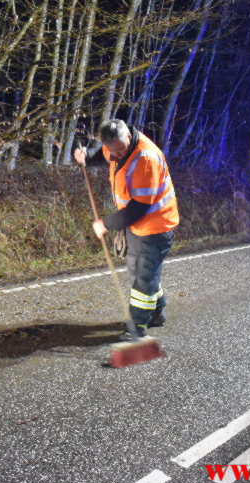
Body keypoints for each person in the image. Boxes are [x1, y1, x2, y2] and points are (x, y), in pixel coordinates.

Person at [73, 119, 179, 338]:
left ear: (129, 137)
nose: (116, 154)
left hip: (156, 226)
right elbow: (103, 156)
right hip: (138, 227)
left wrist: (106, 224)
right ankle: (157, 312)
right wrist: (85, 159)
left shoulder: (145, 158)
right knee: (141, 272)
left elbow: (139, 207)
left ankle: (137, 327)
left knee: (143, 277)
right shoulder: (114, 145)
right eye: (113, 150)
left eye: (120, 149)